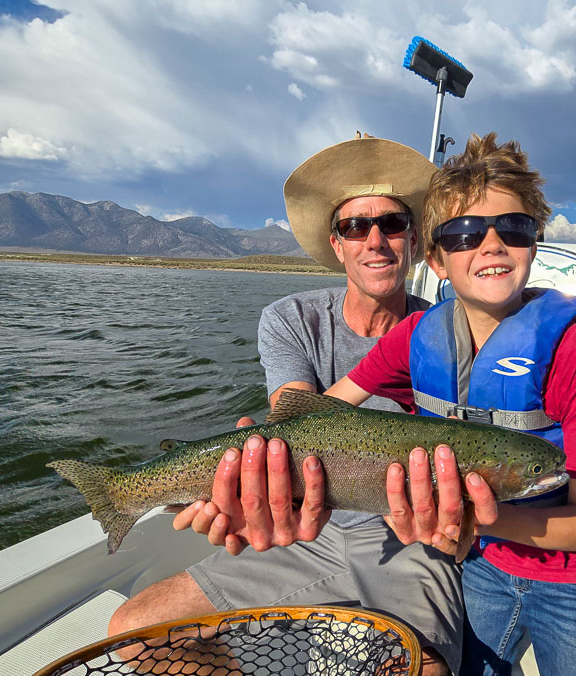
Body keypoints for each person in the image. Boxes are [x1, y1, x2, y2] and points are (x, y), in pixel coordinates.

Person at [107, 135, 483, 676]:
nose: (374, 240)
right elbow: (294, 421)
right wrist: (238, 485)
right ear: (337, 243)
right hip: (307, 528)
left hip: (410, 535)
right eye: (356, 226)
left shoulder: (454, 333)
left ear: (415, 241)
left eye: (393, 225)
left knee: (423, 669)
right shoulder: (290, 319)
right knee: (133, 632)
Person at [322, 133, 576, 676]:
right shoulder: (414, 337)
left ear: (534, 244)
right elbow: (326, 413)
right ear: (437, 259)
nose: (491, 245)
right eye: (465, 233)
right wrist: (255, 455)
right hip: (480, 571)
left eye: (513, 229)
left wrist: (472, 523)